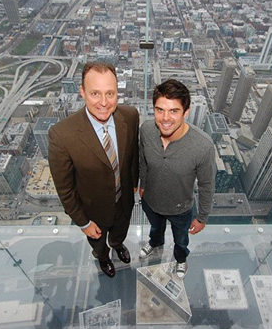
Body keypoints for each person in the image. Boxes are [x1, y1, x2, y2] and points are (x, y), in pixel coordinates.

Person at [48, 61, 139, 278]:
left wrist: (134, 184)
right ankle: (104, 258)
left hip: (124, 199)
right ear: (82, 92)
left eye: (110, 93)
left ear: (118, 92)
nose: (104, 103)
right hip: (93, 211)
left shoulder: (130, 116)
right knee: (98, 243)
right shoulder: (62, 135)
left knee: (119, 231)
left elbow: (132, 155)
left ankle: (117, 244)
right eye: (95, 93)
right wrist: (84, 222)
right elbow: (65, 189)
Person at [139, 79, 216, 279]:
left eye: (173, 111)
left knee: (181, 240)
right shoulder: (146, 130)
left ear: (186, 112)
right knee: (156, 229)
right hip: (151, 200)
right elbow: (142, 160)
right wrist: (143, 184)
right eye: (160, 110)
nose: (165, 118)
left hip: (181, 209)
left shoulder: (203, 146)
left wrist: (203, 217)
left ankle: (180, 259)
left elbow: (207, 185)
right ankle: (155, 243)